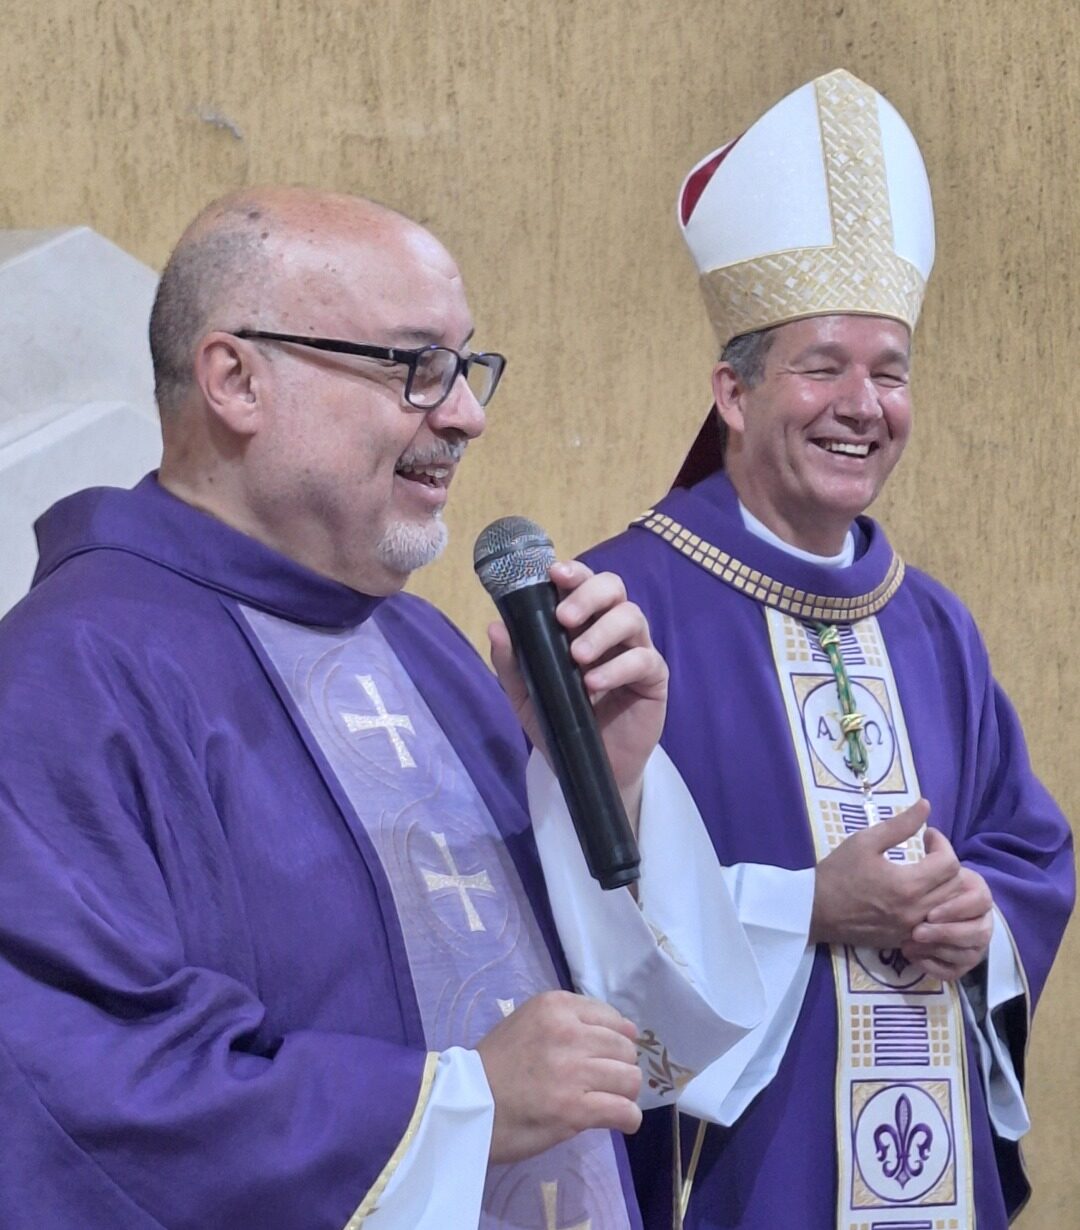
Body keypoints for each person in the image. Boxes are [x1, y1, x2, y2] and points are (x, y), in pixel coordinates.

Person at [0, 188, 771, 1229]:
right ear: (236, 379)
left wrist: (608, 784)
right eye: (415, 367)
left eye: (467, 367)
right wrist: (460, 1108)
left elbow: (639, 1052)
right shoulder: (71, 673)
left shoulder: (424, 648)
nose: (466, 413)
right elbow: (82, 1090)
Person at [583, 70, 1074, 1230]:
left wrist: (984, 916)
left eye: (891, 371)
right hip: (740, 1171)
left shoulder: (933, 620)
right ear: (734, 392)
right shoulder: (615, 603)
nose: (864, 403)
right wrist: (803, 907)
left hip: (932, 1169)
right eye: (823, 365)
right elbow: (561, 889)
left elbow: (1026, 842)